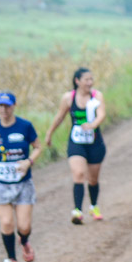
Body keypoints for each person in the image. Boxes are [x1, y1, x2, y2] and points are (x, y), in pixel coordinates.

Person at [0, 91, 42, 262]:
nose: (4, 109)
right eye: (0, 106)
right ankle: (11, 259)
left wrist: (28, 162)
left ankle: (24, 241)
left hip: (23, 183)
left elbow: (37, 147)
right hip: (0, 183)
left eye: (7, 106)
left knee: (24, 226)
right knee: (7, 223)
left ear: (14, 106)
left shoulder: (25, 126)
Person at [45, 67, 106, 224]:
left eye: (91, 79)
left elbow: (102, 114)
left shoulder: (97, 96)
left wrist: (93, 124)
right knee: (78, 174)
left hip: (94, 143)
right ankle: (77, 211)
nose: (89, 82)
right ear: (77, 81)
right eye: (86, 79)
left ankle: (93, 206)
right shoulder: (68, 98)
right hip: (76, 142)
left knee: (93, 179)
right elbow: (60, 116)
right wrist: (49, 133)